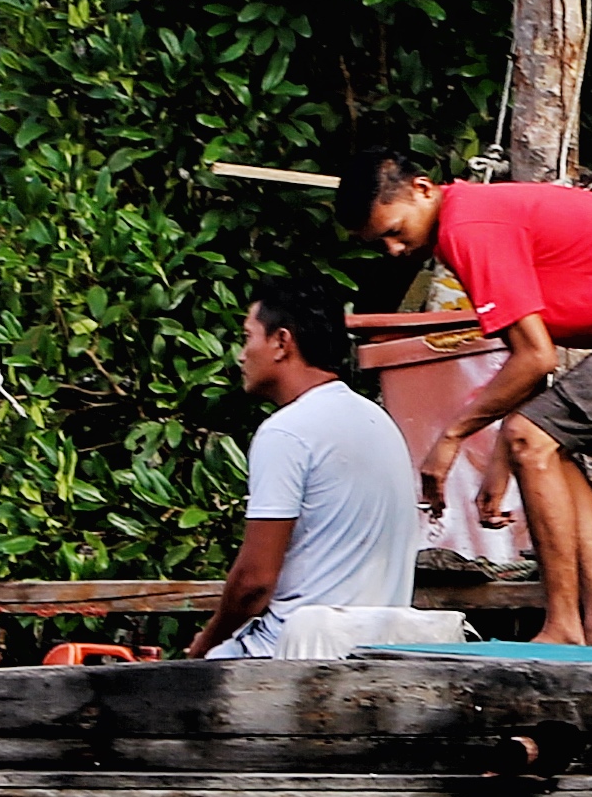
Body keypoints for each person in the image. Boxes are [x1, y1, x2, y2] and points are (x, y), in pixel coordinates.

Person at [340, 135, 592, 649]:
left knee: (533, 438)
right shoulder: (468, 219)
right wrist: (504, 457)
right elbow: (528, 362)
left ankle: (565, 627)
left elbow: (537, 359)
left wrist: (453, 436)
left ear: (421, 189)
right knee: (549, 445)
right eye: (381, 243)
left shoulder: (469, 227)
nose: (394, 249)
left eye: (394, 231)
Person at [190, 275, 447, 659]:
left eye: (248, 337)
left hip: (292, 654)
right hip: (379, 651)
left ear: (281, 342)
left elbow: (254, 584)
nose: (242, 355)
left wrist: (204, 644)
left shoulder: (288, 431)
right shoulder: (379, 422)